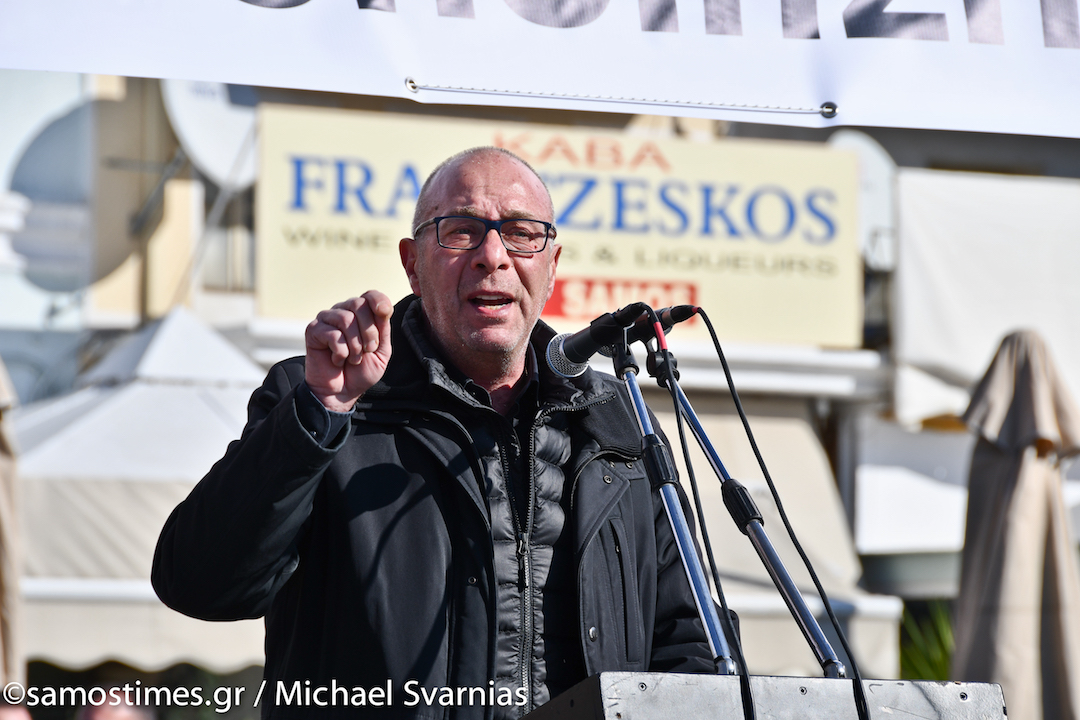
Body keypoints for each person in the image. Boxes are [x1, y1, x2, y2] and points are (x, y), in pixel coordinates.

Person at [152, 147, 714, 719]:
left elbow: (689, 642)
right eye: (462, 232)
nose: (492, 255)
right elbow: (199, 582)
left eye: (521, 234)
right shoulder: (327, 402)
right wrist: (319, 413)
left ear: (551, 266)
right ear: (413, 264)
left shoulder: (613, 421)